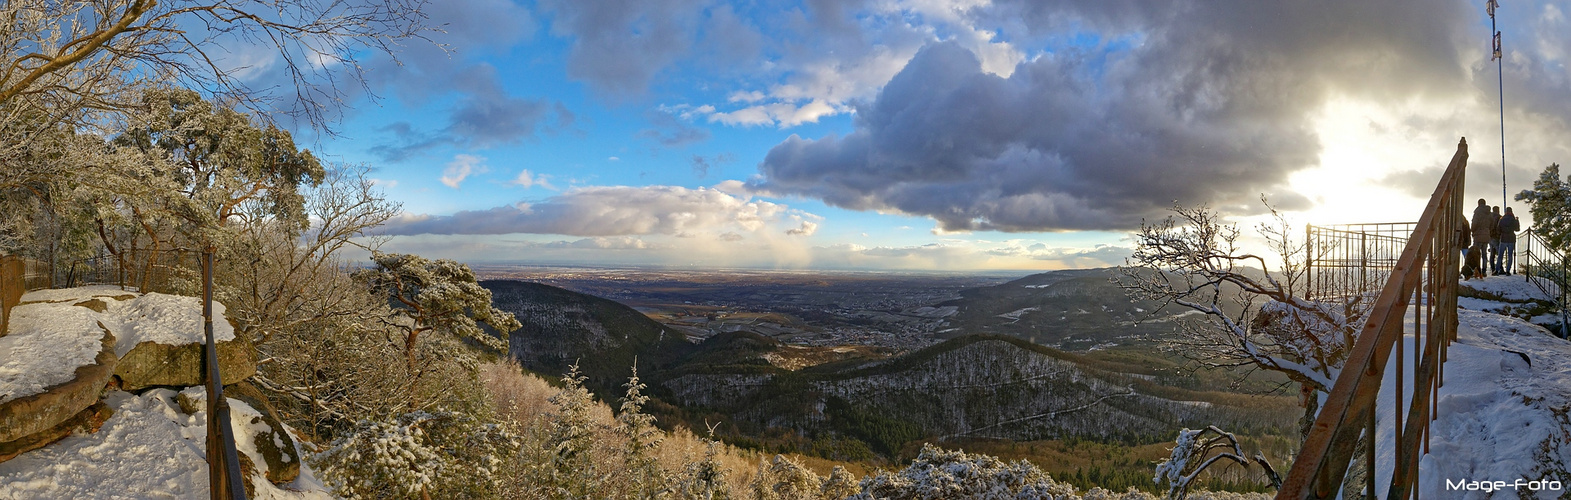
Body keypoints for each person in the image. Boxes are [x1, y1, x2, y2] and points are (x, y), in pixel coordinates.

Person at [1469, 199, 1493, 280]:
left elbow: (1474, 223)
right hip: (1486, 235)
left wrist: (1472, 230)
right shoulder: (1489, 213)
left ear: (1478, 203)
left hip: (1478, 235)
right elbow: (1492, 225)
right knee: (1484, 254)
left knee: (1475, 254)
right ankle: (1484, 271)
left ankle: (1476, 271)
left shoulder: (1478, 212)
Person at [1497, 206, 1521, 275]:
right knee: (1510, 256)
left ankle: (1497, 270)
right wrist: (1517, 221)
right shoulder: (1514, 219)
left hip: (1503, 238)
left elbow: (1498, 230)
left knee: (1500, 255)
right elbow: (1517, 229)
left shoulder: (1501, 219)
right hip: (1511, 239)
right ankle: (1508, 271)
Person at [1489, 206, 1503, 275]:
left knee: (1492, 254)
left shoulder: (1489, 216)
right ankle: (1500, 268)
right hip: (1496, 237)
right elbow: (1500, 227)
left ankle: (1493, 268)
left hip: (1490, 237)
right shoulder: (1499, 217)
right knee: (1499, 253)